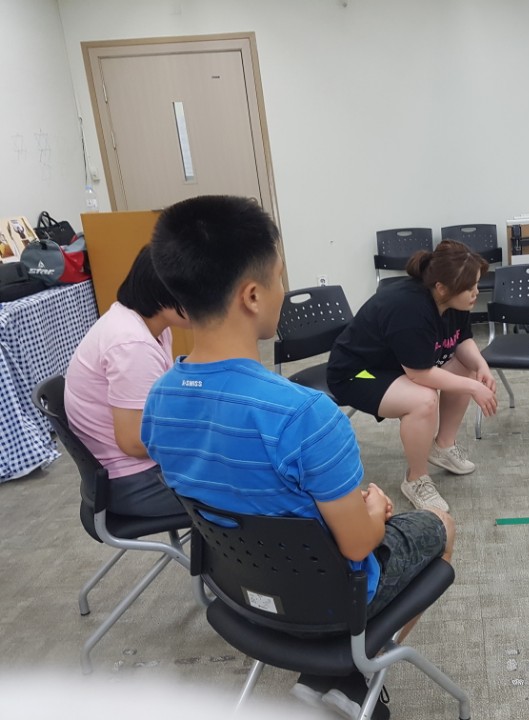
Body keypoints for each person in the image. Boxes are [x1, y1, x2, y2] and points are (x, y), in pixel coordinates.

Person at [141, 196, 455, 720]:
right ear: (252, 295)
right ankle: (356, 672)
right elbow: (359, 543)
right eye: (280, 277)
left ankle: (342, 676)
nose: (283, 290)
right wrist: (374, 509)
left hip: (237, 592)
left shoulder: (158, 402)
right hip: (328, 601)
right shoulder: (306, 415)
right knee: (440, 524)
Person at [327, 239, 498, 513]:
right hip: (358, 373)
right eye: (470, 287)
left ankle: (443, 447)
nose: (475, 293)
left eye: (476, 284)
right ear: (441, 287)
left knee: (465, 367)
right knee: (423, 399)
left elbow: (461, 340)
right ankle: (416, 479)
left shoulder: (455, 301)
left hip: (396, 365)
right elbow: (419, 374)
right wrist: (473, 388)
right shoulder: (408, 308)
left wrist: (481, 365)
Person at [64, 245, 189, 517]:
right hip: (133, 482)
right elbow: (134, 443)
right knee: (244, 486)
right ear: (166, 292)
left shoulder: (145, 324)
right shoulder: (133, 344)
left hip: (130, 471)